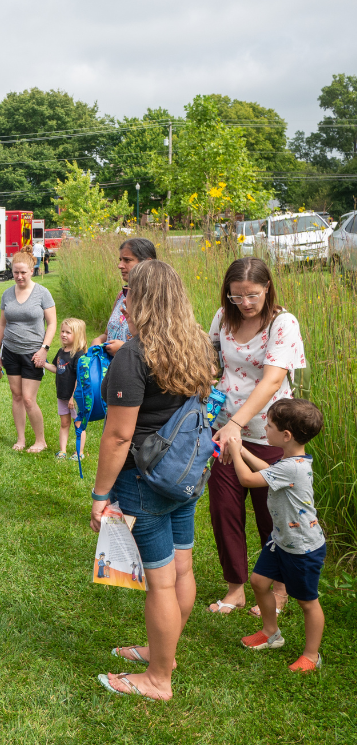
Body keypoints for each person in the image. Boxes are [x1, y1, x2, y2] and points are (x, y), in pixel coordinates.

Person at [91, 259, 216, 701]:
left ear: (137, 299)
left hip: (144, 478)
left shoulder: (134, 354)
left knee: (160, 582)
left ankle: (159, 678)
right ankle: (164, 653)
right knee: (182, 567)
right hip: (185, 471)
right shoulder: (198, 344)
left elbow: (119, 435)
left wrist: (100, 493)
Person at [206, 257, 306, 617]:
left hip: (271, 435)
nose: (244, 304)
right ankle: (235, 588)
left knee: (272, 514)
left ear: (267, 288)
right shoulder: (223, 316)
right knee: (224, 509)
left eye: (251, 295)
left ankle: (279, 588)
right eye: (236, 297)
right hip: (227, 429)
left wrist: (237, 422)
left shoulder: (283, 323)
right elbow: (212, 358)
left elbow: (272, 380)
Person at [224, 398, 325, 673]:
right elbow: (268, 471)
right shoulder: (291, 459)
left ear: (286, 435)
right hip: (281, 539)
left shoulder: (292, 467)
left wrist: (235, 450)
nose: (264, 429)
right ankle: (271, 633)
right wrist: (242, 449)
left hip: (302, 547)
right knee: (258, 582)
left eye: (268, 425)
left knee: (307, 601)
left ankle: (311, 655)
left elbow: (247, 479)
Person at [0, 251, 56, 452]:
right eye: (15, 272)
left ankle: (40, 441)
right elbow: (2, 324)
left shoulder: (42, 293)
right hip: (10, 351)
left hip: (33, 353)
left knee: (29, 399)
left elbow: (52, 323)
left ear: (31, 271)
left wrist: (44, 349)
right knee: (16, 395)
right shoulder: (7, 294)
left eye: (23, 272)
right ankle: (20, 439)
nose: (19, 277)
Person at [92, 238, 157, 355]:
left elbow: (160, 347)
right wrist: (98, 340)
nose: (120, 265)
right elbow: (108, 333)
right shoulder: (122, 296)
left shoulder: (156, 300)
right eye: (120, 260)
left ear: (148, 262)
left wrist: (124, 349)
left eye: (127, 260)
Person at [43, 317, 87, 460]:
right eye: (62, 331)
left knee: (78, 423)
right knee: (64, 423)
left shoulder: (79, 354)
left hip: (74, 397)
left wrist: (73, 397)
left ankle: (79, 452)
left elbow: (79, 378)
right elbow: (57, 369)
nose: (63, 334)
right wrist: (43, 363)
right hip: (62, 395)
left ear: (78, 334)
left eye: (68, 332)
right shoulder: (62, 351)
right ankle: (62, 450)